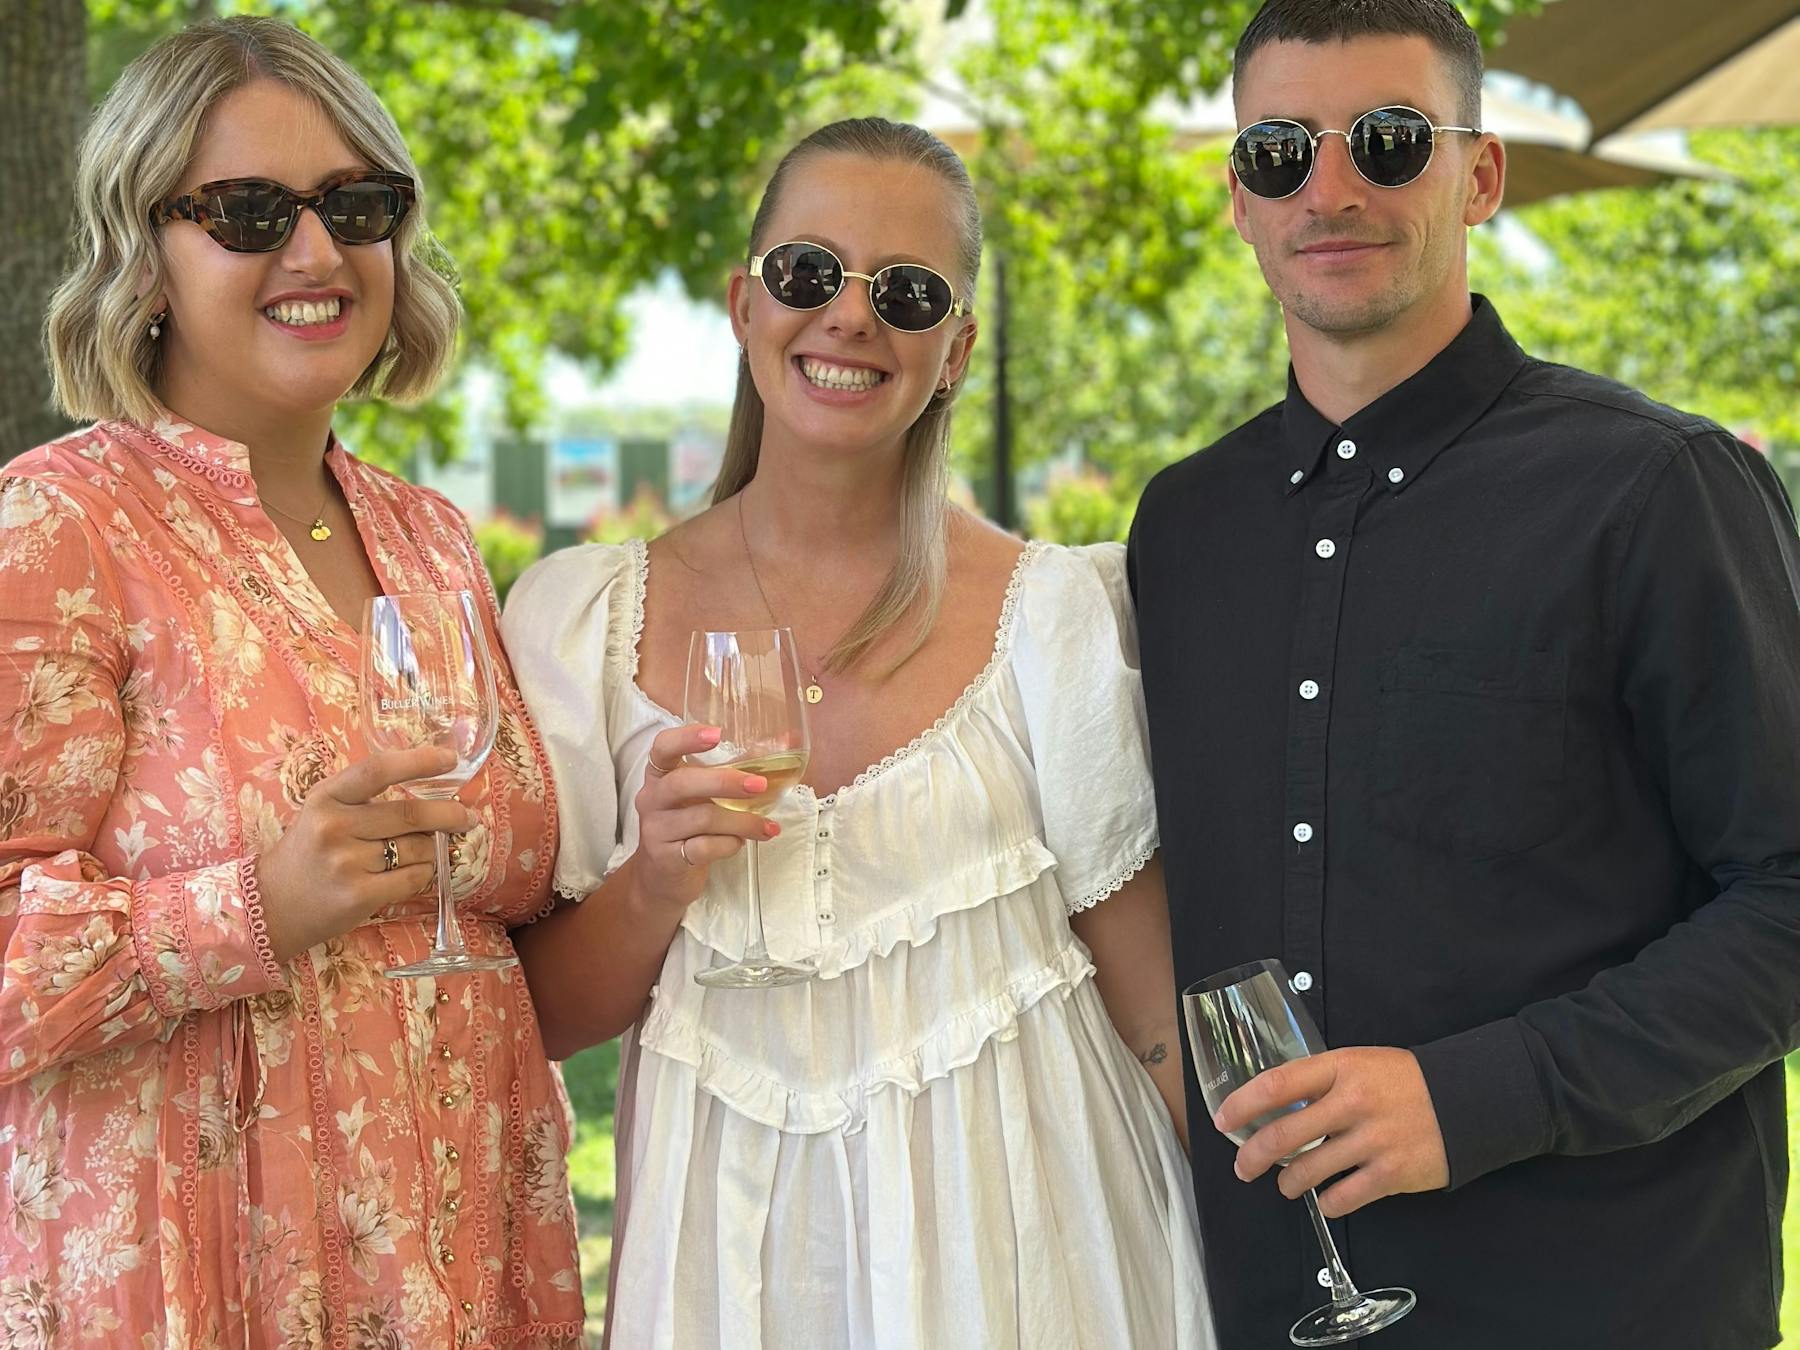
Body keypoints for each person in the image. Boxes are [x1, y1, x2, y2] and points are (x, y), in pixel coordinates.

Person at [1127, 1, 1800, 1347]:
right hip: (1266, 1303)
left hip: (1608, 1297)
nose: (1329, 190)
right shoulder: (1183, 528)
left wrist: (1479, 1093)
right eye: (1278, 152)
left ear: (1478, 173)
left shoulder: (1658, 488)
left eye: (1387, 142)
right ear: (1237, 201)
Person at [502, 117, 1211, 1348]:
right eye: (808, 274)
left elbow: (1153, 1011)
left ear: (957, 351)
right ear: (744, 303)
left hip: (1037, 1258)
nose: (849, 317)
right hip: (732, 1263)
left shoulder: (1053, 616)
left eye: (909, 291)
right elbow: (548, 1019)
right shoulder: (587, 618)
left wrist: (1281, 1248)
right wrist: (660, 875)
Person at [0, 18, 582, 1344]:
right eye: (251, 211)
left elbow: (507, 917)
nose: (316, 253)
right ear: (143, 247)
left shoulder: (432, 537)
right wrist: (254, 905)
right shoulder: (59, 528)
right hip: (187, 1283)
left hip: (461, 1264)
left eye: (355, 205)